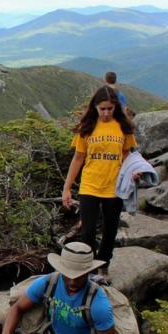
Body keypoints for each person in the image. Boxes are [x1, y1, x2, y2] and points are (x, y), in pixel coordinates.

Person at [61, 86, 137, 283]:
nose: (105, 113)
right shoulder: (86, 128)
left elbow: (128, 154)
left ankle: (103, 266)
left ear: (115, 108)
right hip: (90, 186)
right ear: (95, 107)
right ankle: (89, 269)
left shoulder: (123, 127)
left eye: (109, 109)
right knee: (87, 230)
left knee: (110, 230)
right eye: (102, 109)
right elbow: (78, 158)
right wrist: (67, 188)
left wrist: (134, 172)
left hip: (114, 187)